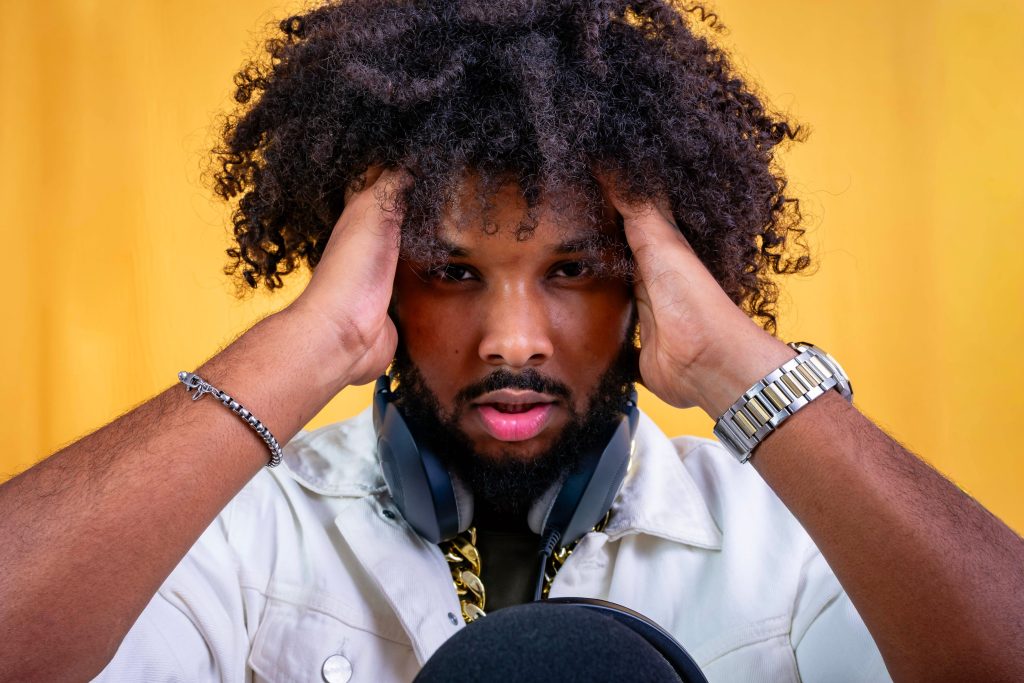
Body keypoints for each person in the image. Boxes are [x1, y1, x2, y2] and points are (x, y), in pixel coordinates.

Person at [0, 1, 1021, 681]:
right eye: (451, 272)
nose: (511, 339)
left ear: (651, 282)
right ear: (378, 275)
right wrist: (307, 341)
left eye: (572, 269)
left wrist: (733, 365)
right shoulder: (229, 527)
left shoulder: (794, 537)